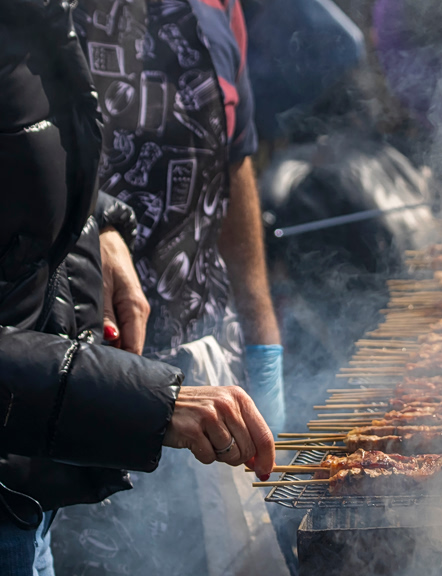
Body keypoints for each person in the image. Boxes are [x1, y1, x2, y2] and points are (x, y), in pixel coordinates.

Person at [0, 2, 275, 575]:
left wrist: (94, 223)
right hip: (86, 411)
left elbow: (233, 156)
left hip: (59, 455)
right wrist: (145, 401)